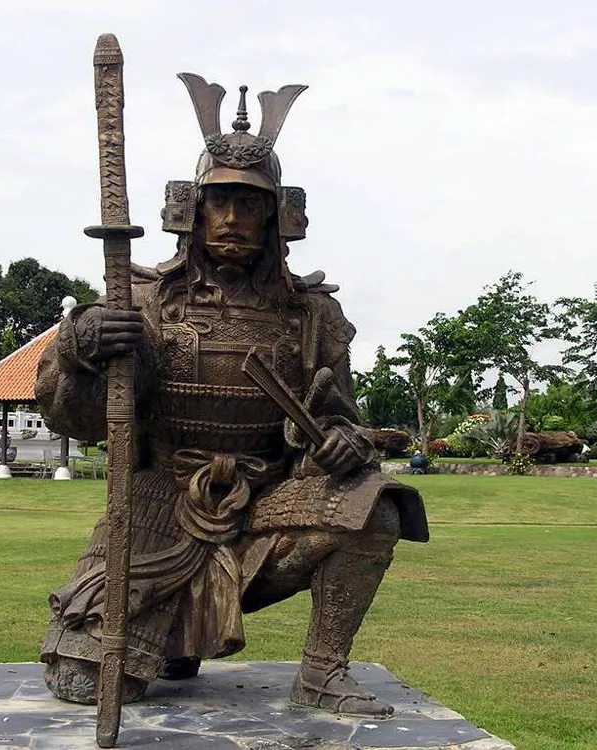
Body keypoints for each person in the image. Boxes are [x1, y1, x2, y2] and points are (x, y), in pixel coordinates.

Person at [35, 74, 428, 716]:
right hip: (158, 504)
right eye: (219, 201)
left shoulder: (310, 316)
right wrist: (83, 348)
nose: (232, 219)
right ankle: (167, 635)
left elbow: (343, 420)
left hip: (266, 502)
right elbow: (77, 421)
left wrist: (340, 444)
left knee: (377, 505)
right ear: (191, 206)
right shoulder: (143, 301)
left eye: (250, 206)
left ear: (277, 214)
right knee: (80, 685)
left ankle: (322, 672)